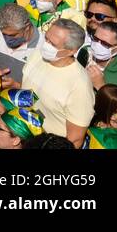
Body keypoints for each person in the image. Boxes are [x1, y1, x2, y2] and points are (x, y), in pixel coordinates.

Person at [20, 18, 96, 147]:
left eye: (53, 44)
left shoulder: (79, 85)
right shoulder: (38, 55)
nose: (46, 45)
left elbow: (75, 139)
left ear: (71, 51)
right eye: (46, 39)